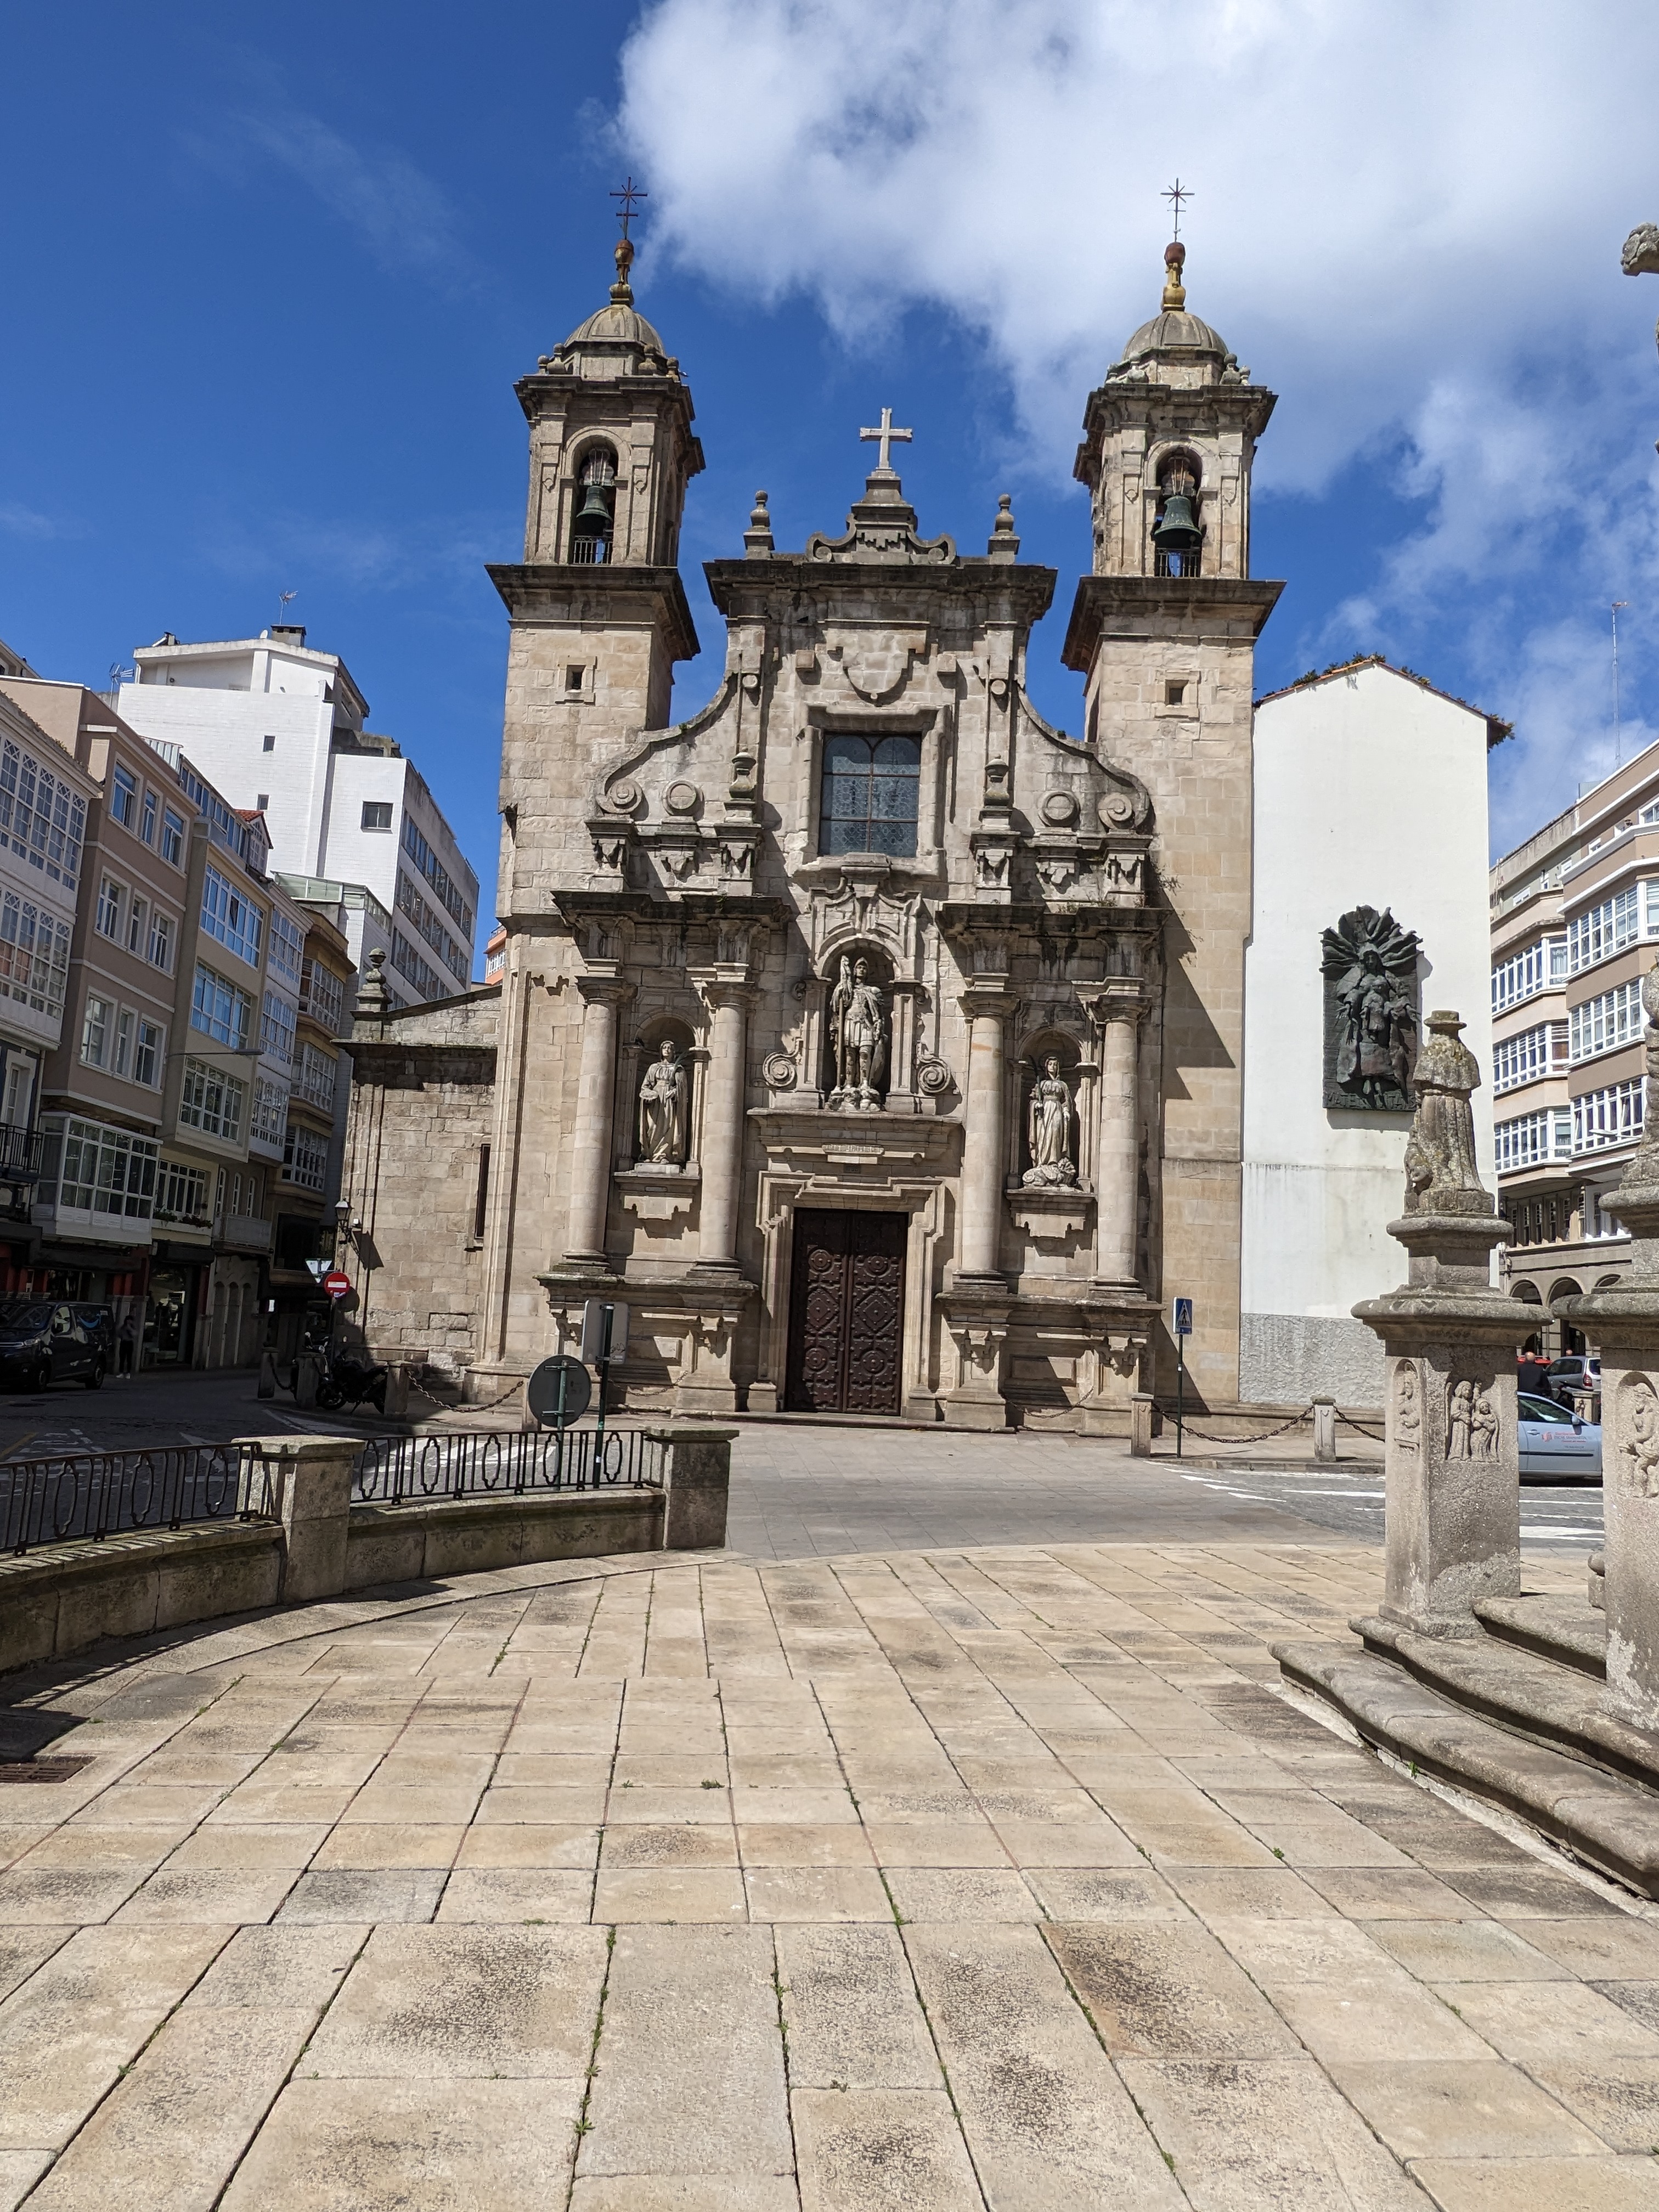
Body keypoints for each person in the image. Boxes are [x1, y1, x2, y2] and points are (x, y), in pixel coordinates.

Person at [117, 1307, 138, 1379]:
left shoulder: (133, 1328)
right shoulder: (123, 1328)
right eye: (128, 1320)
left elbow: (135, 1334)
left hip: (130, 1343)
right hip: (124, 1342)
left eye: (130, 1320)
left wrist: (130, 1328)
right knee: (122, 1358)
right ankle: (121, 1372)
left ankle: (128, 1373)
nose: (129, 1321)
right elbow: (119, 1334)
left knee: (129, 1358)